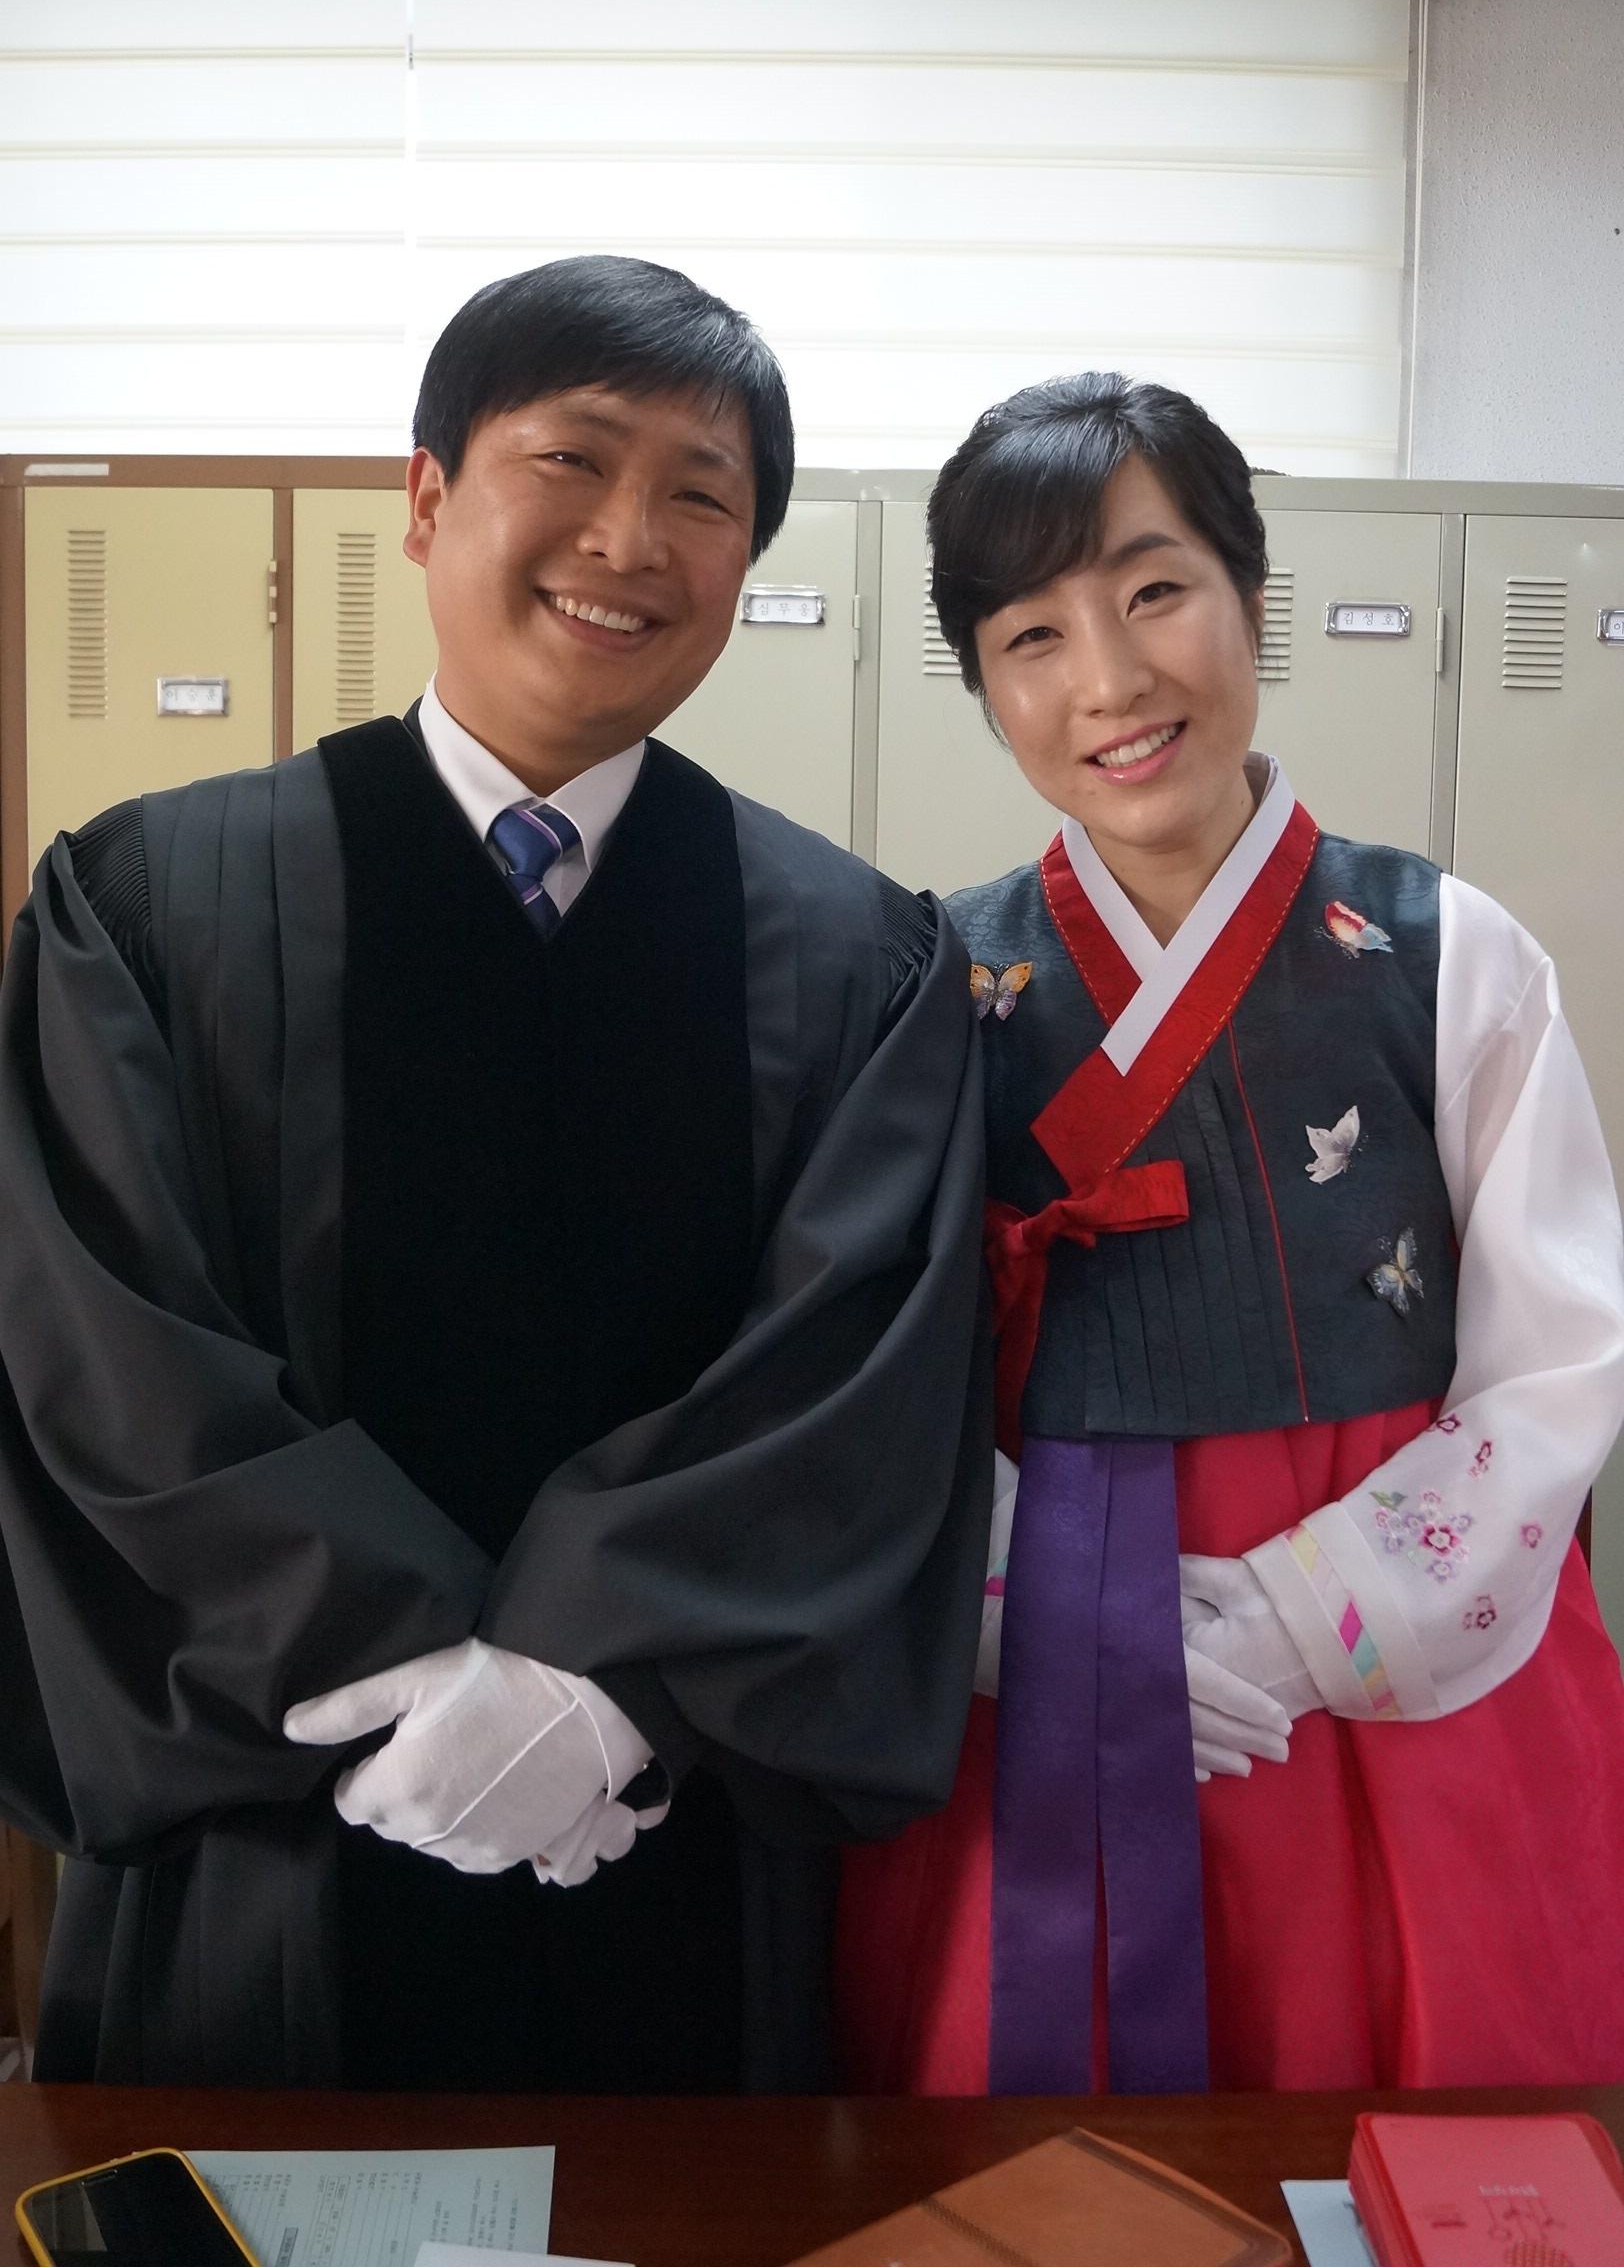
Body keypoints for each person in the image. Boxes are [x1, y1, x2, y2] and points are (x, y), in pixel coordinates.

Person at [0, 255, 991, 2094]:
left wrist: (590, 1690)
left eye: (702, 495)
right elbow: (102, 1365)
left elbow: (853, 1390)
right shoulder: (146, 911)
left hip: (662, 1820)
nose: (629, 539)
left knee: (694, 2206)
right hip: (271, 1846)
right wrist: (416, 1682)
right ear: (429, 495)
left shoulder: (860, 962)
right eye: (573, 461)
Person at [838, 371, 1624, 2096]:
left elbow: (1560, 1357)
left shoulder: (1451, 951)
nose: (1111, 681)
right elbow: (865, 1373)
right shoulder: (932, 978)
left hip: (1392, 1641)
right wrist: (1036, 1609)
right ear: (984, 688)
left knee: (1418, 2108)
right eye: (1032, 637)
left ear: (1249, 592)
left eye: (1154, 591)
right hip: (1042, 1632)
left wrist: (1300, 1617)